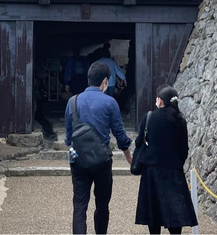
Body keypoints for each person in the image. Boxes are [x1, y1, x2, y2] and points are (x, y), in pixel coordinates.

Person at [65, 61, 133, 234]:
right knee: (102, 204)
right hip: (101, 160)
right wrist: (129, 158)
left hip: (78, 158)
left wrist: (72, 150)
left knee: (79, 205)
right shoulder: (110, 103)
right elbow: (120, 136)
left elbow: (68, 137)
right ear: (104, 81)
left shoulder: (72, 102)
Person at [135, 85, 198, 234]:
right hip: (173, 170)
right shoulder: (180, 121)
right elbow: (184, 149)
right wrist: (177, 163)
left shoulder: (150, 117)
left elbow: (139, 142)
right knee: (175, 211)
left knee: (153, 211)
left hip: (152, 170)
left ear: (160, 101)